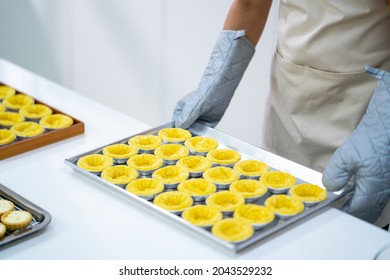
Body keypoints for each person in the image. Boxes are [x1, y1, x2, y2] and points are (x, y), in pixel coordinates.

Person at [172, 0, 390, 227]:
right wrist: (218, 78)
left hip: (364, 113)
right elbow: (250, 4)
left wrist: (384, 125)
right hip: (288, 103)